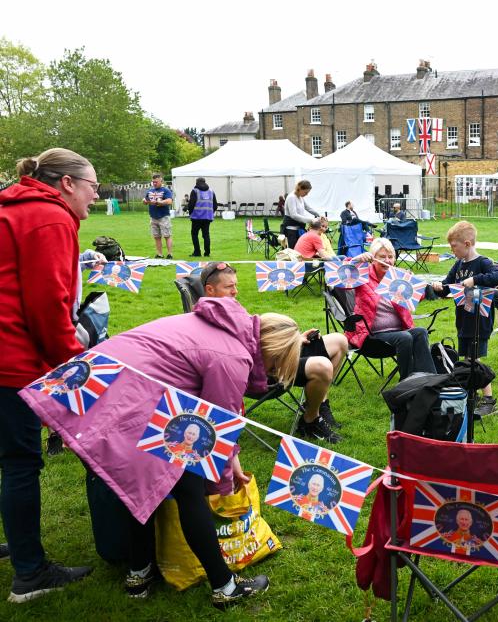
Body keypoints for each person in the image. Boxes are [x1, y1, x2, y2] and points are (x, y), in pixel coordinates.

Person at [21, 298, 299, 606]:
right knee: (190, 490)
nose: (272, 375)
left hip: (98, 384)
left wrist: (228, 457)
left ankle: (139, 573)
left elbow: (215, 419)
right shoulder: (233, 357)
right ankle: (225, 586)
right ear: (272, 353)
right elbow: (215, 430)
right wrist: (219, 488)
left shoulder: (221, 325)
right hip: (130, 398)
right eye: (276, 368)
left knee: (142, 486)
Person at [0, 148, 98, 602]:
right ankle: (30, 573)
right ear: (67, 184)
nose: (95, 198)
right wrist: (77, 364)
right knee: (21, 464)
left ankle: (18, 546)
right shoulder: (50, 218)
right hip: (11, 358)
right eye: (93, 187)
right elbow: (47, 307)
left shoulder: (12, 206)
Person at [199, 262, 346, 442]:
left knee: (339, 342)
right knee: (322, 366)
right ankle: (310, 420)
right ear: (210, 290)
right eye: (229, 287)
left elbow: (255, 337)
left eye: (235, 285)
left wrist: (293, 340)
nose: (235, 291)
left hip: (274, 355)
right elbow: (241, 358)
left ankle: (320, 403)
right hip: (265, 373)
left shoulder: (226, 308)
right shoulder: (211, 320)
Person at [432, 221, 498, 415]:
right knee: (467, 359)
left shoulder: (483, 262)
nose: (451, 250)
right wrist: (439, 288)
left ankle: (489, 400)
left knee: (474, 359)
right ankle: (470, 397)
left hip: (479, 321)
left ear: (467, 243)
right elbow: (449, 287)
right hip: (463, 321)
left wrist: (475, 280)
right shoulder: (458, 265)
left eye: (453, 246)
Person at [352, 238, 436, 380]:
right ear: (373, 259)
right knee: (405, 337)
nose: (388, 260)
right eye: (382, 257)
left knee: (421, 332)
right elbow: (339, 274)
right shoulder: (363, 276)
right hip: (372, 336)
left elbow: (416, 299)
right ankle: (408, 382)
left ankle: (430, 379)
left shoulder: (397, 277)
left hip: (398, 332)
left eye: (390, 257)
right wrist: (355, 260)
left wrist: (413, 285)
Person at [143, 173, 174, 259]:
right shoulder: (150, 191)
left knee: (167, 236)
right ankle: (159, 254)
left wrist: (160, 202)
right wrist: (145, 201)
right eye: (153, 182)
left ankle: (170, 254)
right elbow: (146, 200)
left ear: (161, 181)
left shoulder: (166, 190)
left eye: (156, 182)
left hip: (163, 216)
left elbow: (169, 201)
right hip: (153, 217)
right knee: (156, 237)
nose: (154, 183)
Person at [282, 180, 320, 249]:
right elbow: (294, 215)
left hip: (299, 229)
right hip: (291, 230)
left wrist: (319, 215)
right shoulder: (291, 197)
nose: (307, 194)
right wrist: (311, 220)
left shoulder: (300, 197)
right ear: (299, 189)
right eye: (306, 192)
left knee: (299, 250)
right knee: (292, 251)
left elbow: (308, 208)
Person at [187, 177, 217, 257]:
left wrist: (190, 213)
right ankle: (207, 253)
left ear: (196, 182)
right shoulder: (211, 191)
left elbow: (191, 204)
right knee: (206, 235)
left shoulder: (195, 191)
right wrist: (210, 212)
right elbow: (215, 205)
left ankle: (197, 252)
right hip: (207, 217)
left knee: (194, 234)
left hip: (196, 217)